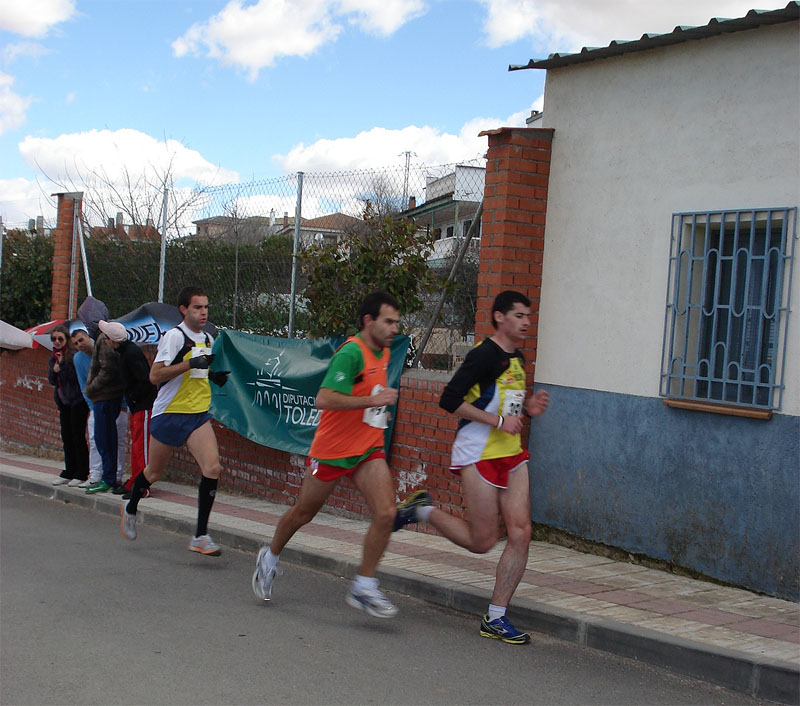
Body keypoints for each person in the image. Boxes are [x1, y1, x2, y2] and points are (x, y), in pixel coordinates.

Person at [393, 290, 550, 644]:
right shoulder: (483, 355)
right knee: (483, 541)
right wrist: (498, 422)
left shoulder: (518, 358)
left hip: (511, 454)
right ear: (499, 317)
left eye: (528, 316)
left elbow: (507, 405)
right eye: (519, 315)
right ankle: (422, 510)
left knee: (521, 532)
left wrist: (527, 410)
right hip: (478, 452)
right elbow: (449, 400)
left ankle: (496, 617)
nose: (526, 322)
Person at [251, 291, 401, 618]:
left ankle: (364, 585)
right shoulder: (351, 353)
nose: (394, 329)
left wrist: (378, 413)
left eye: (396, 323)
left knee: (386, 513)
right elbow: (324, 398)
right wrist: (372, 402)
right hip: (332, 451)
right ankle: (270, 557)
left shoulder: (385, 352)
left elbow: (367, 394)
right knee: (304, 512)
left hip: (367, 447)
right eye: (388, 322)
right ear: (368, 321)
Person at [120, 286, 230, 555]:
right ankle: (130, 507)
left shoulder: (208, 338)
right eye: (197, 307)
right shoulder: (174, 337)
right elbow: (155, 376)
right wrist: (190, 364)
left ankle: (200, 536)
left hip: (197, 414)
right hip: (169, 413)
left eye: (206, 307)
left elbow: (199, 370)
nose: (203, 312)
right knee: (153, 473)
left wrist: (212, 375)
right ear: (183, 309)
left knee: (213, 468)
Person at [95, 321, 158, 499]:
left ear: (113, 340)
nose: (105, 341)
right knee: (136, 446)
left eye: (106, 338)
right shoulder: (125, 352)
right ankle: (135, 481)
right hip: (137, 406)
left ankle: (143, 487)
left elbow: (145, 380)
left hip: (143, 406)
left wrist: (135, 397)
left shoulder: (130, 353)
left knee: (142, 448)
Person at [84, 324, 126, 493]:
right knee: (105, 437)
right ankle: (110, 476)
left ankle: (109, 478)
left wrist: (90, 389)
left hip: (105, 396)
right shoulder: (104, 338)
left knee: (104, 438)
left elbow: (107, 369)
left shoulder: (105, 339)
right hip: (107, 396)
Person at [47, 324, 90, 487]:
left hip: (77, 401)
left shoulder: (73, 355)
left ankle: (82, 472)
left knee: (77, 436)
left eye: (60, 338)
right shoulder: (54, 356)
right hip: (63, 401)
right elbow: (52, 379)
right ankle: (69, 470)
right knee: (66, 436)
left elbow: (75, 377)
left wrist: (62, 365)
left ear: (66, 339)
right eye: (54, 339)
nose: (57, 342)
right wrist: (55, 369)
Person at [70, 323, 101, 488]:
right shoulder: (78, 359)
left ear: (89, 337)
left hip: (112, 401)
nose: (79, 345)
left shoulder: (103, 349)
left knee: (115, 440)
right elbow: (84, 386)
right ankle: (95, 475)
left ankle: (113, 476)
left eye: (81, 340)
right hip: (95, 404)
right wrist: (92, 406)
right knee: (94, 439)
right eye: (76, 344)